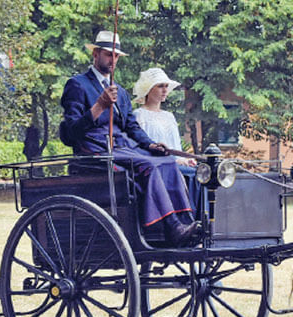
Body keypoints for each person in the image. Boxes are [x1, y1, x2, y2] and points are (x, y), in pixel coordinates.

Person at [59, 30, 201, 247]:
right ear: (95, 54)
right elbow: (71, 133)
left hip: (124, 148)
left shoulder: (120, 93)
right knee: (148, 166)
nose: (113, 60)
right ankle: (172, 227)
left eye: (116, 56)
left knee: (167, 162)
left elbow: (132, 127)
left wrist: (150, 144)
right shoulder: (77, 85)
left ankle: (185, 223)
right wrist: (99, 106)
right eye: (108, 54)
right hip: (95, 150)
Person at [132, 68, 201, 212]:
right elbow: (141, 148)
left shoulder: (169, 116)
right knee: (189, 174)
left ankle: (200, 217)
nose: (165, 90)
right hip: (155, 165)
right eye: (160, 86)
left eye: (166, 86)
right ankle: (186, 215)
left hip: (174, 163)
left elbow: (176, 147)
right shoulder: (139, 115)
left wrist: (185, 159)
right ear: (148, 89)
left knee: (201, 173)